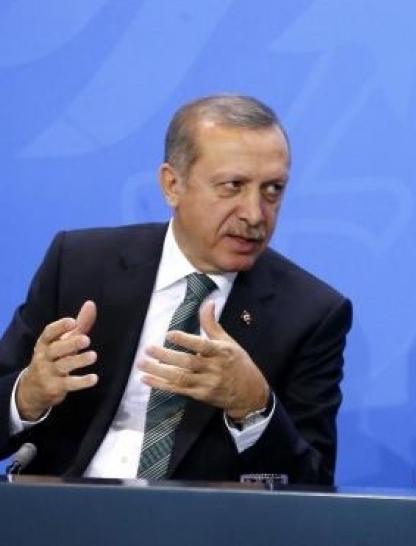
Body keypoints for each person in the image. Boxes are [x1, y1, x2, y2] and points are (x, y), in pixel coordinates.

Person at [0, 94, 352, 484]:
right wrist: (26, 397)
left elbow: (312, 485)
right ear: (172, 185)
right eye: (232, 186)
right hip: (61, 516)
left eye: (272, 189)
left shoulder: (310, 313)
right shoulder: (80, 264)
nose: (255, 214)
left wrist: (254, 407)